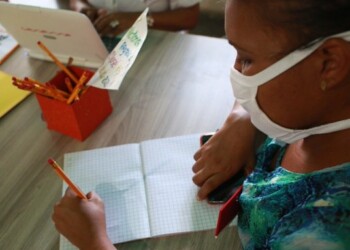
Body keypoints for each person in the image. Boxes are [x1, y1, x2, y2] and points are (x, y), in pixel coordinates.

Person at [52, 0, 350, 249]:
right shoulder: (309, 112)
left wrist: (95, 241)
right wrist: (243, 117)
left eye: (246, 60)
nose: (236, 74)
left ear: (330, 63)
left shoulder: (323, 232)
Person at [69, 0, 200, 36]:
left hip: (155, 44)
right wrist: (82, 8)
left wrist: (140, 20)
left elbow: (190, 16)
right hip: (98, 36)